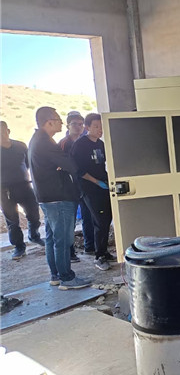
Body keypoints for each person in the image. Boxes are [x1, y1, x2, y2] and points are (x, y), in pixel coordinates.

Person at [27, 107, 91, 290]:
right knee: (63, 240)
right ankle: (67, 278)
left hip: (47, 197)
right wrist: (63, 166)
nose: (61, 123)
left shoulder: (36, 139)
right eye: (58, 120)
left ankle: (56, 275)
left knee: (52, 238)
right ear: (49, 122)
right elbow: (70, 165)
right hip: (58, 197)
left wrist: (60, 167)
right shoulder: (46, 142)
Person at [70, 113, 114, 271]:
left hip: (103, 186)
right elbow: (79, 170)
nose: (99, 130)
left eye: (101, 127)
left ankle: (104, 251)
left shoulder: (100, 144)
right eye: (96, 127)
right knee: (100, 221)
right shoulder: (80, 145)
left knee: (107, 219)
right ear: (87, 127)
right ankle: (99, 256)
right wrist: (97, 182)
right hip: (90, 189)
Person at [0, 121, 45, 260]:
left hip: (24, 186)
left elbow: (28, 163)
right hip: (4, 190)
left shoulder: (20, 146)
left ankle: (34, 235)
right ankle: (19, 247)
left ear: (8, 131)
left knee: (34, 214)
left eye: (2, 131)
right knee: (12, 221)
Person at [58, 111, 95, 261]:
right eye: (74, 124)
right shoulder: (63, 143)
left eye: (80, 124)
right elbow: (60, 165)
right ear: (68, 126)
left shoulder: (86, 141)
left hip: (85, 185)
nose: (78, 127)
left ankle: (90, 247)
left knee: (88, 217)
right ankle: (70, 252)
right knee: (70, 221)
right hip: (69, 188)